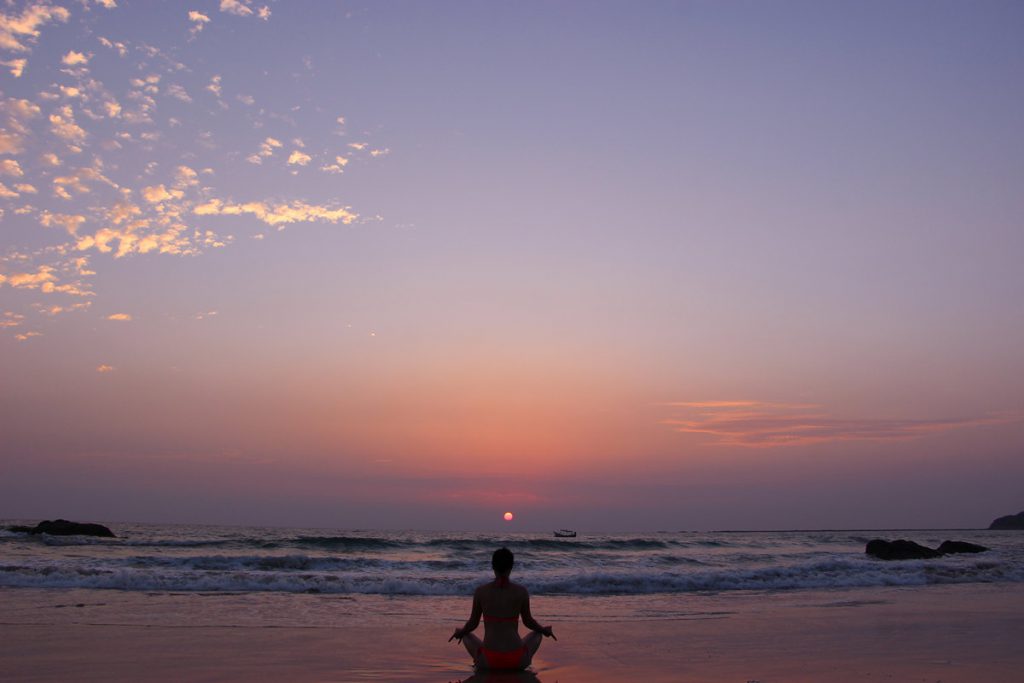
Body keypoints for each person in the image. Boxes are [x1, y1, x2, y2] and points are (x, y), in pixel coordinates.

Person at [449, 547, 556, 670]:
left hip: (489, 662)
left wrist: (460, 633)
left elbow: (473, 624)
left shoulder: (481, 592)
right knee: (538, 633)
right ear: (511, 567)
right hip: (517, 661)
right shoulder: (521, 592)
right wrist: (544, 630)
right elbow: (528, 622)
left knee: (466, 634)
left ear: (493, 566)